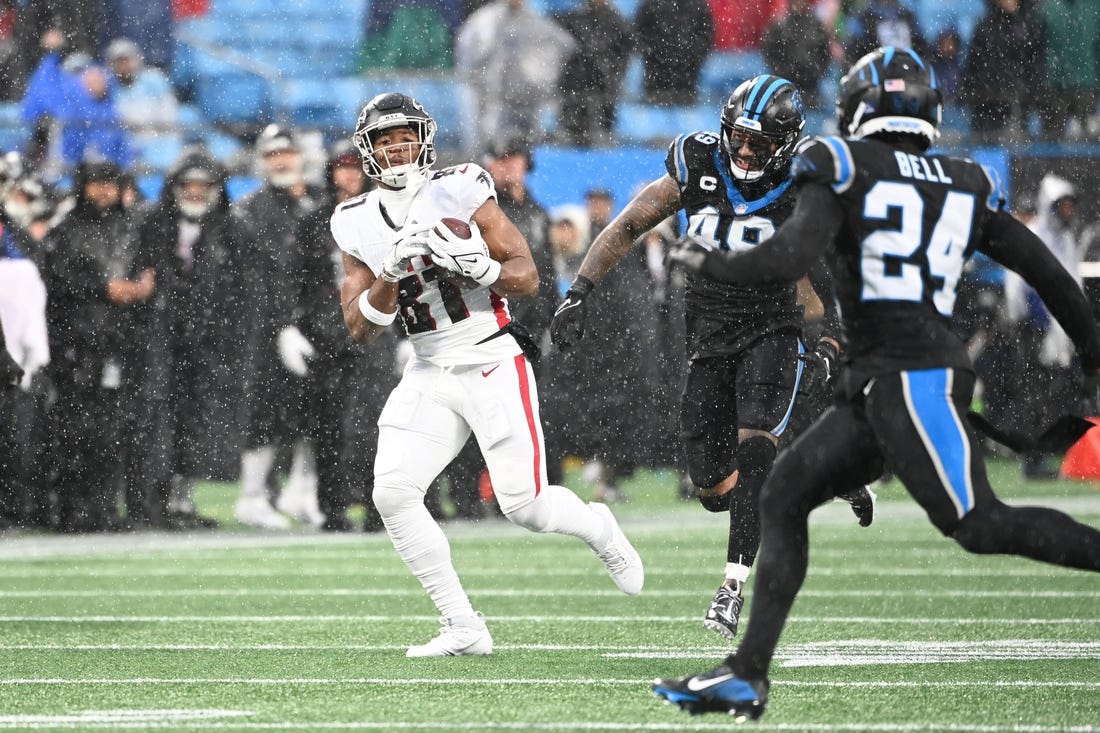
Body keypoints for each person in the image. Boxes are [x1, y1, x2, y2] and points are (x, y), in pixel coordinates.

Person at [652, 46, 1100, 720]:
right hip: (884, 379)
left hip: (912, 376)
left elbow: (793, 253)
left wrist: (715, 261)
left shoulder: (845, 166)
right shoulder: (964, 180)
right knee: (783, 493)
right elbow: (1052, 276)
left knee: (978, 522)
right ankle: (747, 672)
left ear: (859, 109)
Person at [550, 74, 874, 641]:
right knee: (713, 489)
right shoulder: (698, 163)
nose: (746, 151)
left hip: (772, 327)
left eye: (760, 142)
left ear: (787, 142)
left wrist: (833, 336)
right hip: (708, 337)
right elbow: (627, 225)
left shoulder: (801, 186)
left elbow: (832, 271)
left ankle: (730, 588)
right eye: (740, 138)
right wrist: (579, 292)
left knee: (754, 454)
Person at [330, 92, 643, 657]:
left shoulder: (460, 186)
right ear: (368, 150)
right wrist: (391, 274)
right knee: (394, 494)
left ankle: (598, 528)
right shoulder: (353, 219)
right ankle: (463, 625)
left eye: (405, 135)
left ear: (424, 138)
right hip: (428, 365)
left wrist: (481, 267)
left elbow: (526, 278)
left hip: (490, 354)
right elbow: (360, 328)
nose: (397, 146)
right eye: (384, 138)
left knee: (524, 506)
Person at [290, 140, 397, 532]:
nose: (348, 175)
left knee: (378, 423)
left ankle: (378, 507)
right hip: (327, 334)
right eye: (342, 167)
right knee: (328, 426)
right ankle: (332, 508)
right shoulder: (314, 221)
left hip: (376, 331)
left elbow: (402, 279)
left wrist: (403, 335)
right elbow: (297, 281)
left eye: (356, 167)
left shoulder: (387, 218)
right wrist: (292, 325)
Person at [233, 124, 326, 530]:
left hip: (316, 321)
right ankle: (253, 495)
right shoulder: (249, 211)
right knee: (266, 414)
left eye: (286, 153)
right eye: (272, 155)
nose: (281, 161)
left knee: (317, 410)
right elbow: (254, 279)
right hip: (263, 328)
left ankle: (301, 489)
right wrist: (281, 324)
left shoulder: (319, 203)